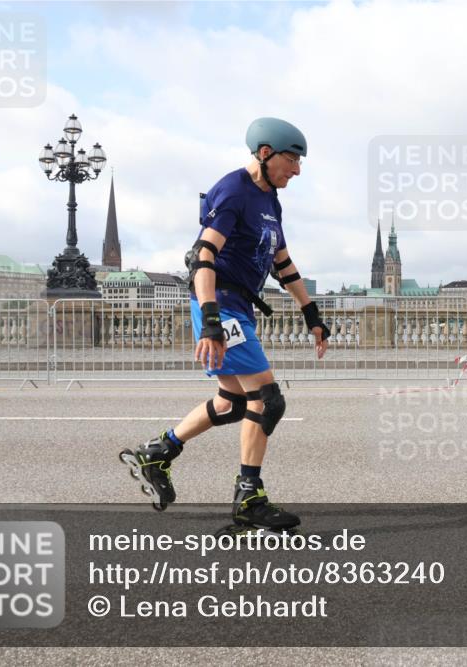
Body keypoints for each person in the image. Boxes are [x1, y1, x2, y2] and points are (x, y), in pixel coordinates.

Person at [120, 117, 329, 532]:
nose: (298, 170)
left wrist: (311, 313)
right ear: (266, 153)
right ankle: (248, 497)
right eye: (292, 160)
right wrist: (212, 319)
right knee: (267, 398)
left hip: (237, 307)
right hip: (222, 305)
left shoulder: (271, 201)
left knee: (233, 402)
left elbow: (281, 262)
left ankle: (158, 452)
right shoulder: (234, 190)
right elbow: (203, 255)